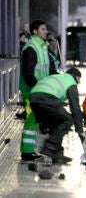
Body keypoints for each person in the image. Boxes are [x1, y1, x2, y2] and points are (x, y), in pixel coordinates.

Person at [29, 67, 84, 164]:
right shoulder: (71, 82)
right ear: (76, 76)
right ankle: (50, 148)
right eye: (79, 79)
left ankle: (57, 154)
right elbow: (75, 107)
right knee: (67, 120)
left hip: (33, 98)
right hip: (45, 98)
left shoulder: (59, 77)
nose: (79, 83)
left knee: (57, 122)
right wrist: (79, 129)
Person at [19, 19, 51, 161]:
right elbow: (28, 73)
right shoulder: (31, 48)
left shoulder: (42, 47)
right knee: (31, 119)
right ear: (35, 31)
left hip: (37, 90)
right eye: (43, 29)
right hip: (31, 91)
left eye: (45, 29)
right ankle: (26, 153)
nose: (46, 32)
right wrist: (38, 88)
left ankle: (29, 151)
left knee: (34, 119)